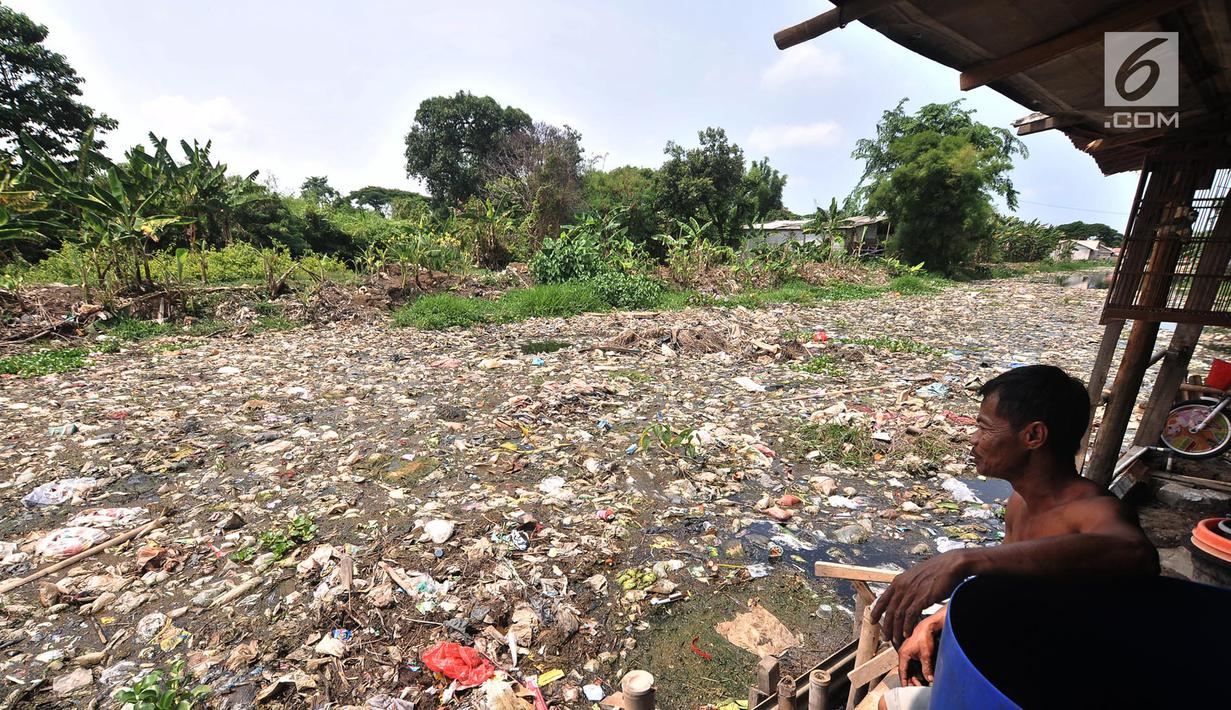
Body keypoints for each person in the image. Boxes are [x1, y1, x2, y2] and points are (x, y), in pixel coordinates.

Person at [876, 365, 1159, 710]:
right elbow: (1007, 581)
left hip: (1065, 683)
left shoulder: (1091, 508)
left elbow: (1135, 552)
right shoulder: (1019, 501)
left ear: (1034, 436)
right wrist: (938, 621)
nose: (973, 439)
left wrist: (965, 558)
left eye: (983, 426)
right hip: (1018, 656)